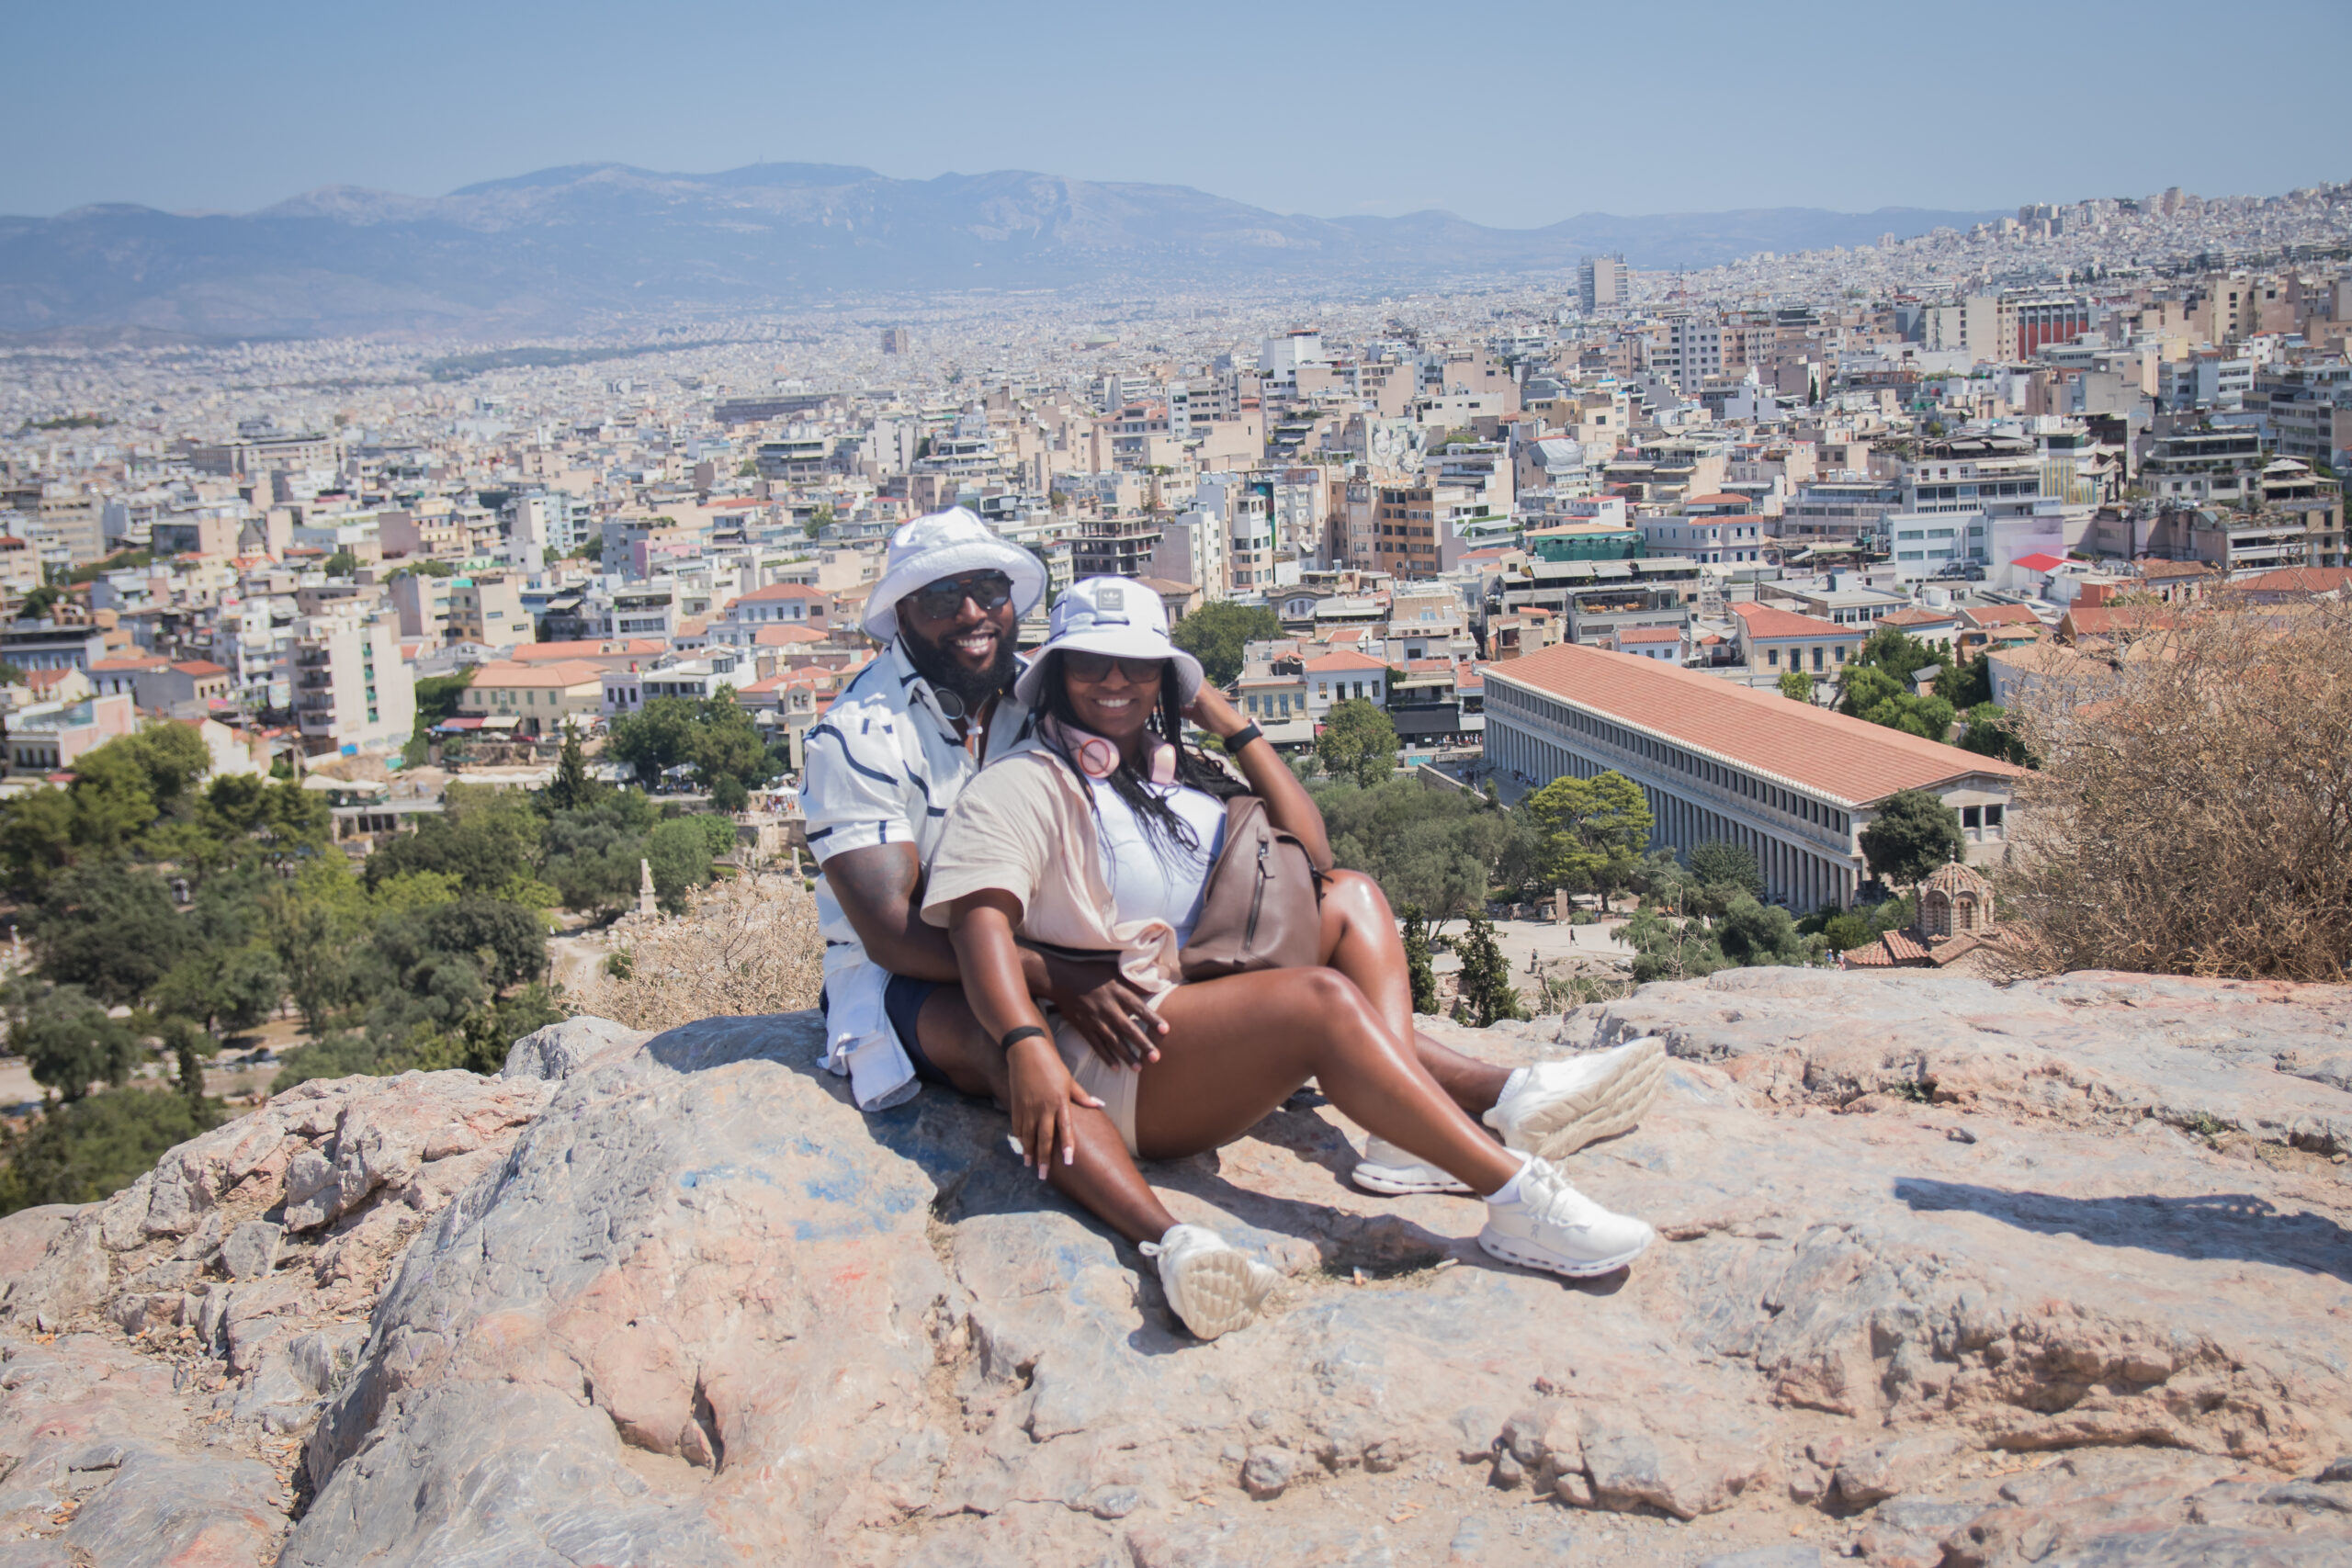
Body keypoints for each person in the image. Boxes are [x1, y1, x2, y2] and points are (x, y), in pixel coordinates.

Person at [917, 577, 1660, 1341]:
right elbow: (980, 933)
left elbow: (1311, 853)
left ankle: (1403, 1136)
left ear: (1166, 677)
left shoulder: (1173, 767)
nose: (1116, 680)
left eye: (1139, 664)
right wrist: (1024, 1044)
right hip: (1124, 1050)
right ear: (1056, 675)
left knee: (1353, 895)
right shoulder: (1023, 784)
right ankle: (1517, 1199)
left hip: (1196, 1000)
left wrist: (1229, 722)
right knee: (1320, 1003)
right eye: (1091, 663)